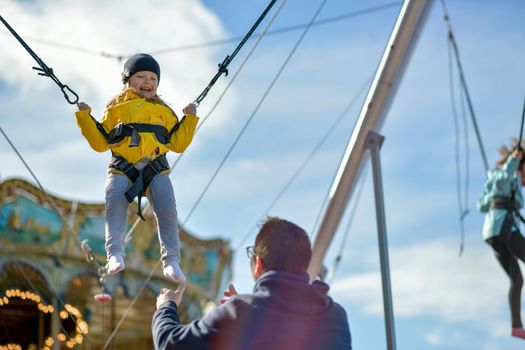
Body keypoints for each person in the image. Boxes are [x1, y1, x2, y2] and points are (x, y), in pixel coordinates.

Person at [75, 53, 198, 283]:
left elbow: (177, 143)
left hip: (156, 168)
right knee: (115, 205)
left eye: (153, 78)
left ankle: (171, 260)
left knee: (167, 210)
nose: (148, 82)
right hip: (123, 166)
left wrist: (189, 119)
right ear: (128, 81)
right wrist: (84, 116)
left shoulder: (165, 112)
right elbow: (101, 143)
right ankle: (115, 254)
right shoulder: (115, 109)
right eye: (141, 76)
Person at [152, 217, 352, 350]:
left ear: (258, 263)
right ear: (305, 265)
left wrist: (166, 306)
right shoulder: (336, 317)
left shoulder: (239, 312)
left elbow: (169, 344)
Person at [478, 141, 525, 340]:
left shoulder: (507, 182)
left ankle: (516, 326)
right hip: (502, 228)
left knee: (517, 279)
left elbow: (483, 205)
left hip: (495, 232)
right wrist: (513, 163)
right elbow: (500, 182)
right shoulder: (502, 175)